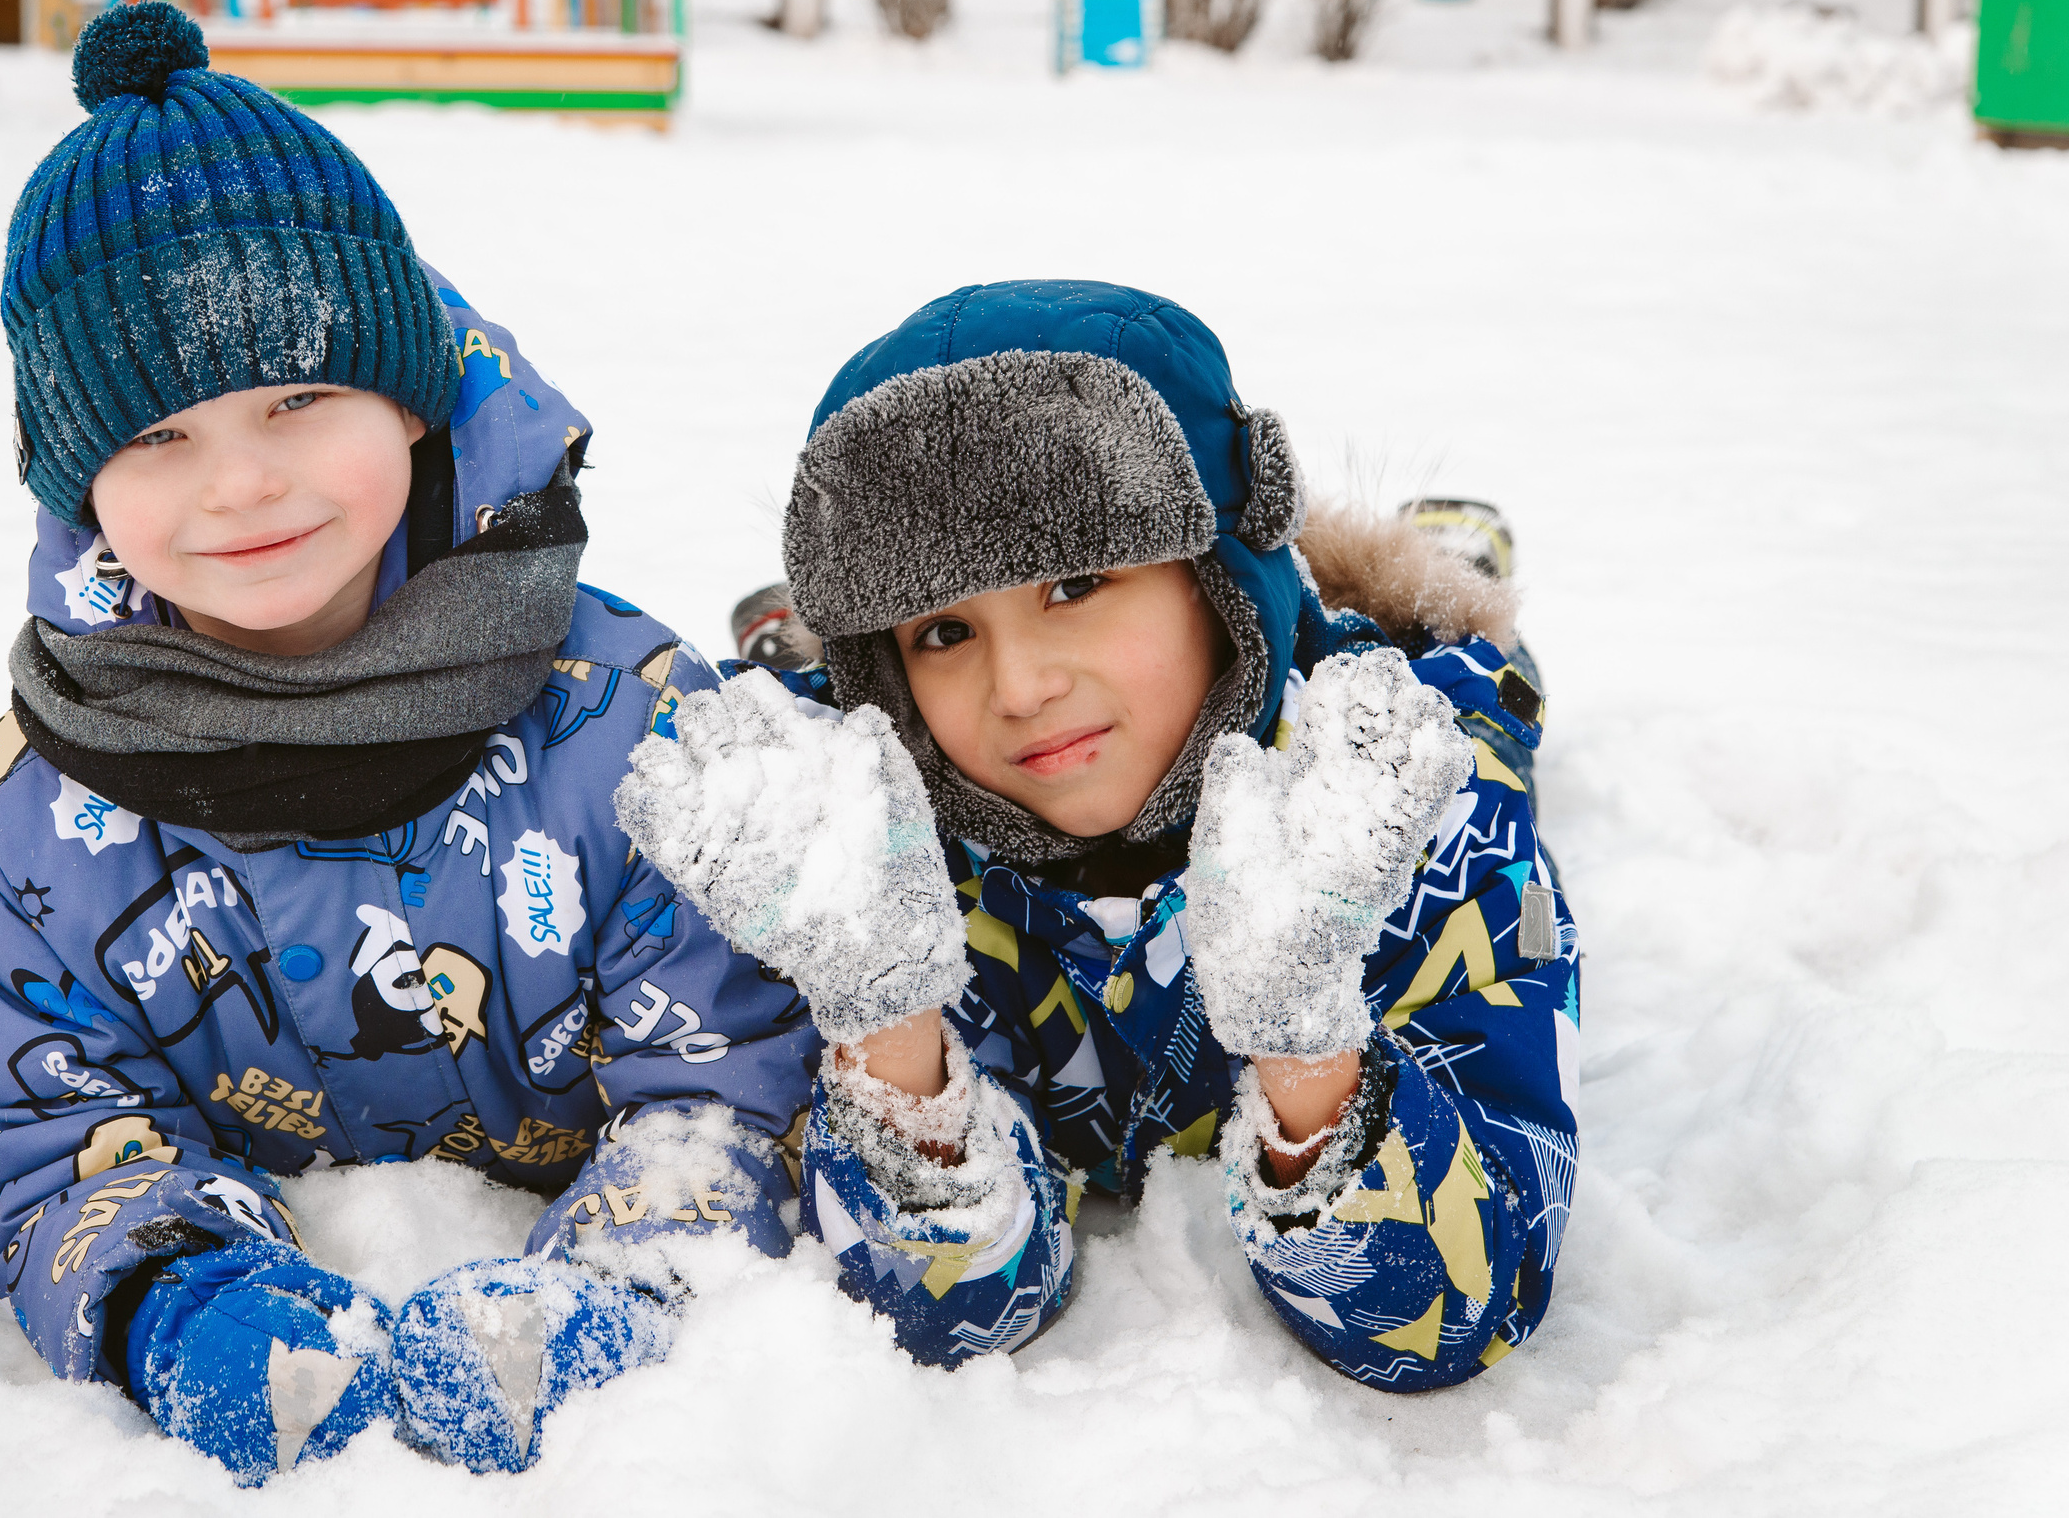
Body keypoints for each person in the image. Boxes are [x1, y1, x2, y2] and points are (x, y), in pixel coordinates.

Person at [0, 3, 817, 1485]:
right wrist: (171, 1293)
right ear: (83, 486)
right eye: (157, 437)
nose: (242, 484)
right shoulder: (33, 811)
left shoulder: (632, 728)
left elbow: (730, 1080)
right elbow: (43, 1104)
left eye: (298, 396)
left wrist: (612, 1289)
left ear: (408, 400)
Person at [616, 280, 1579, 1387]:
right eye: (941, 627)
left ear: (1219, 580)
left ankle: (1435, 559)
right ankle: (808, 641)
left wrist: (1304, 1027)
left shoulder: (1412, 820)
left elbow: (1453, 1312)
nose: (1020, 684)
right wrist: (888, 1026)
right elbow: (941, 1319)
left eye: (1074, 583)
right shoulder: (886, 862)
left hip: (1381, 720)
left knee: (1463, 657)